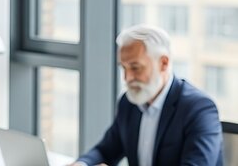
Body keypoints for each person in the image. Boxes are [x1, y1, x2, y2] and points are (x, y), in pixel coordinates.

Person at [72, 24, 223, 166]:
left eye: (135, 68)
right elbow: (105, 150)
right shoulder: (128, 102)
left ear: (163, 63)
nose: (127, 78)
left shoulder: (199, 108)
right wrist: (81, 164)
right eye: (123, 68)